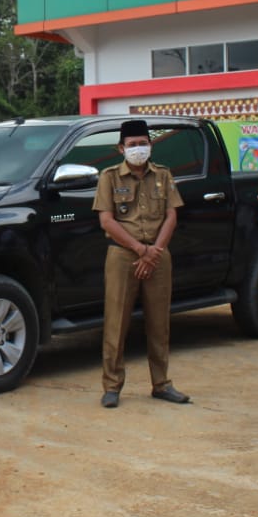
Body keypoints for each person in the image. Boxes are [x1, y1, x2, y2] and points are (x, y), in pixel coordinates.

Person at [93, 118, 190, 409]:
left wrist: (155, 251)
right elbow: (106, 220)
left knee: (159, 323)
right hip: (123, 255)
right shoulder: (109, 177)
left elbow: (172, 215)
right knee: (116, 322)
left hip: (159, 255)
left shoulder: (162, 174)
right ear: (121, 148)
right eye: (133, 145)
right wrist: (139, 249)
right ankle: (112, 386)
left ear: (151, 145)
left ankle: (161, 384)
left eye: (143, 144)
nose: (138, 149)